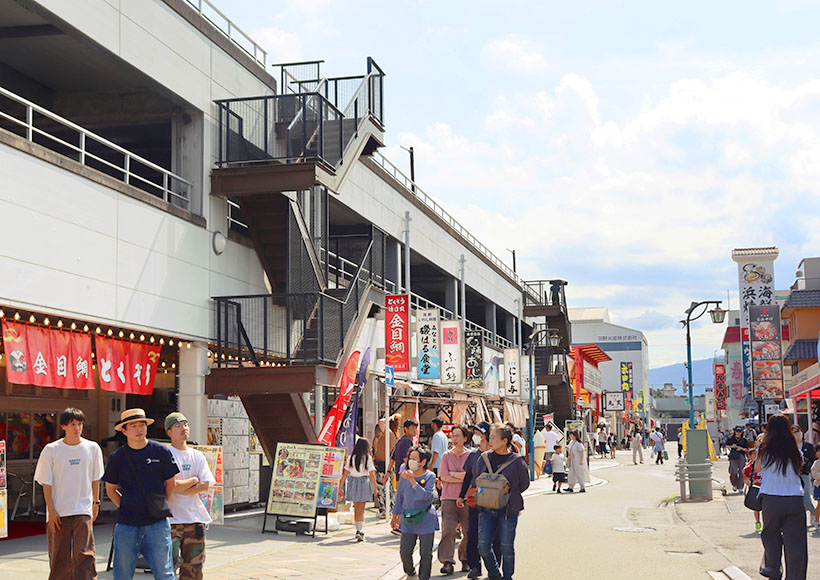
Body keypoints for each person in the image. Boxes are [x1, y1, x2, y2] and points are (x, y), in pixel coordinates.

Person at [103, 408, 180, 580]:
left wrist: (161, 505)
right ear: (124, 430)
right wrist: (125, 506)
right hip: (126, 525)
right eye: (133, 426)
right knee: (122, 574)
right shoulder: (118, 457)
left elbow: (171, 483)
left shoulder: (161, 451)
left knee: (165, 573)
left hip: (158, 524)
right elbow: (110, 489)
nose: (139, 429)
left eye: (142, 425)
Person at [34, 407, 104, 580]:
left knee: (85, 554)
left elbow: (96, 478)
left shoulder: (92, 448)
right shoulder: (51, 450)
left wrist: (95, 503)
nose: (77, 428)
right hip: (59, 511)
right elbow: (46, 483)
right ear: (63, 426)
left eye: (79, 424)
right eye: (73, 424)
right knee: (60, 557)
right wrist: (51, 510)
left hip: (83, 509)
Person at [473, 423, 529, 580]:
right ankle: (494, 572)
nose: (490, 441)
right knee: (483, 545)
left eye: (493, 438)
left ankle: (508, 577)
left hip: (508, 509)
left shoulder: (517, 462)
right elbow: (476, 479)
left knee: (506, 547)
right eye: (490, 437)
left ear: (505, 441)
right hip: (485, 508)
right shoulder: (483, 459)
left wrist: (507, 495)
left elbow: (524, 484)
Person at [755, 414, 807, 580]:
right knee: (796, 541)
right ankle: (795, 577)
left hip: (771, 498)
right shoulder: (793, 447)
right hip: (794, 498)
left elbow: (757, 469)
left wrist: (759, 445)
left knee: (771, 534)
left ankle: (773, 569)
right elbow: (799, 468)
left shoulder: (764, 448)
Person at [165, 412, 215, 580]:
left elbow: (205, 484)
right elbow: (168, 486)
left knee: (194, 568)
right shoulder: (164, 455)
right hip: (170, 520)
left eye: (185, 424)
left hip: (194, 519)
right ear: (169, 432)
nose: (183, 429)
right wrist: (193, 480)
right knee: (167, 567)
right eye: (177, 426)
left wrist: (179, 486)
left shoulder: (197, 455)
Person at [457, 422, 499, 580]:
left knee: (494, 535)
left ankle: (493, 568)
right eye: (474, 432)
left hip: (493, 500)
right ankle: (475, 566)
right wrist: (461, 495)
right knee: (472, 534)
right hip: (475, 499)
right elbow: (468, 476)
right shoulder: (473, 455)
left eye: (479, 432)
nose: (476, 435)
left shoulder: (496, 454)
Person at [392, 445, 438, 580]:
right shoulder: (404, 475)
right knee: (405, 552)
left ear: (423, 462)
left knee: (426, 553)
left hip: (426, 518)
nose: (410, 461)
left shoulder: (430, 476)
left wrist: (413, 481)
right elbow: (399, 496)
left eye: (414, 459)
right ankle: (411, 572)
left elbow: (426, 496)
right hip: (408, 518)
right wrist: (395, 515)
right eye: (409, 458)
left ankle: (424, 577)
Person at [438, 425, 471, 575]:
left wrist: (454, 474)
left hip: (467, 498)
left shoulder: (471, 455)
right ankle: (447, 562)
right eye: (453, 436)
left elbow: (471, 477)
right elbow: (443, 477)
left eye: (458, 436)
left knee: (468, 530)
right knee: (448, 530)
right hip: (448, 497)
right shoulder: (446, 455)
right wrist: (461, 476)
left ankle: (466, 559)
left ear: (465, 438)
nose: (455, 439)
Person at [339, 437, 378, 541]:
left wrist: (340, 488)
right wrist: (375, 487)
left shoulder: (351, 457)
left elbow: (345, 474)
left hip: (353, 482)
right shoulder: (368, 458)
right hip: (364, 482)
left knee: (357, 508)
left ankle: (358, 530)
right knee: (362, 509)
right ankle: (360, 531)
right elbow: (372, 474)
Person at [793, 424, 816, 521]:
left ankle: (815, 515)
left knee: (806, 499)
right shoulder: (789, 447)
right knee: (796, 500)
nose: (796, 434)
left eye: (797, 431)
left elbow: (812, 459)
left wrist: (805, 465)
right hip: (793, 475)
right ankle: (801, 520)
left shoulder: (808, 446)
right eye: (793, 432)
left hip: (805, 473)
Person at [372, 419, 394, 517]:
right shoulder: (389, 436)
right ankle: (388, 509)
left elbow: (381, 421)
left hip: (383, 464)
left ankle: (385, 510)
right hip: (387, 464)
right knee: (388, 488)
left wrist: (391, 417)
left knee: (383, 489)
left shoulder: (386, 435)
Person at [744, 448, 763, 533]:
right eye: (754, 454)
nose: (756, 456)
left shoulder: (764, 465)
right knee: (757, 508)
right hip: (755, 490)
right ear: (750, 456)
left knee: (766, 508)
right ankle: (758, 522)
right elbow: (745, 480)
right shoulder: (748, 468)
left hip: (765, 489)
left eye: (757, 454)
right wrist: (751, 482)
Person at [727, 426, 749, 492]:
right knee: (733, 471)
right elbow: (726, 445)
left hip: (741, 456)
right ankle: (734, 484)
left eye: (740, 432)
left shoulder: (744, 440)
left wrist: (741, 448)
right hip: (733, 456)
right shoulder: (731, 438)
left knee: (742, 472)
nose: (738, 433)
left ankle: (740, 487)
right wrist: (731, 446)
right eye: (737, 432)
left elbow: (747, 449)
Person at [811, 444, 820, 529]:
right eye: (817, 451)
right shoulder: (816, 463)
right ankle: (816, 520)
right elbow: (814, 474)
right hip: (819, 485)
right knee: (819, 504)